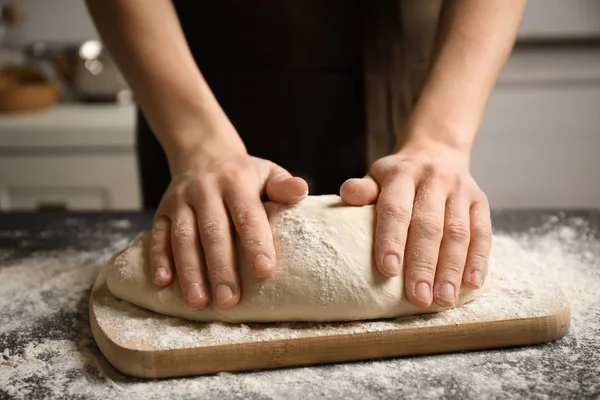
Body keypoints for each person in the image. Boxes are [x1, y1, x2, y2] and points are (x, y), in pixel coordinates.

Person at [86, 1, 526, 312]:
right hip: (203, 78)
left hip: (415, 67)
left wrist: (441, 140)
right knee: (209, 240)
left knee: (417, 244)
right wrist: (197, 144)